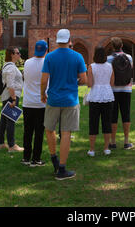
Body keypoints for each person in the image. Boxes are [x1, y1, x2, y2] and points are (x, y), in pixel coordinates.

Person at [41, 29, 87, 181]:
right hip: (70, 100)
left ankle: (54, 157)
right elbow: (84, 79)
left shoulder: (50, 57)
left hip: (53, 99)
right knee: (66, 133)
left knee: (49, 129)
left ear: (57, 40)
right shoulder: (78, 56)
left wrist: (43, 94)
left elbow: (44, 80)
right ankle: (62, 168)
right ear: (69, 40)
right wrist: (74, 81)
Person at [21, 40, 48, 167]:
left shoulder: (27, 62)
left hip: (27, 102)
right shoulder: (47, 63)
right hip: (41, 102)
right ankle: (36, 158)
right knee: (39, 132)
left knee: (27, 131)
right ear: (46, 50)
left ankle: (26, 157)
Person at [86, 47, 115, 157]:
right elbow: (112, 83)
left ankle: (92, 149)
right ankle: (106, 148)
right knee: (107, 122)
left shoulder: (91, 67)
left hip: (95, 95)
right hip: (107, 94)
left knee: (93, 122)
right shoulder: (110, 66)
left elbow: (89, 84)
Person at [107, 37, 133, 150]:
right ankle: (126, 141)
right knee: (126, 115)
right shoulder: (129, 57)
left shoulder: (108, 59)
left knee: (113, 116)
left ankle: (112, 142)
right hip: (126, 89)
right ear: (122, 46)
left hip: (113, 90)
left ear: (112, 47)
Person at [0, 47, 24, 152]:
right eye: (18, 53)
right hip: (10, 96)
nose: (19, 54)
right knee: (11, 120)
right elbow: (10, 85)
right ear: (12, 54)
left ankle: (0, 144)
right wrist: (13, 99)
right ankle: (12, 146)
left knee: (4, 120)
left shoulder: (9, 66)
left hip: (8, 96)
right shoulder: (10, 67)